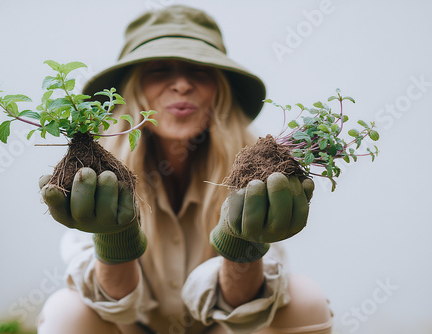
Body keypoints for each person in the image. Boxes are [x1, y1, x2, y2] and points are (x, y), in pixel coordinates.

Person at [37, 5, 333, 334]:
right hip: (132, 328)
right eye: (159, 70)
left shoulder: (258, 171)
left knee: (305, 300)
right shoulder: (97, 173)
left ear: (220, 89)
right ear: (133, 90)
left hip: (219, 328)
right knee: (66, 312)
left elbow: (243, 309)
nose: (181, 85)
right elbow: (112, 304)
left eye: (199, 70)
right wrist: (113, 237)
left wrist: (242, 245)